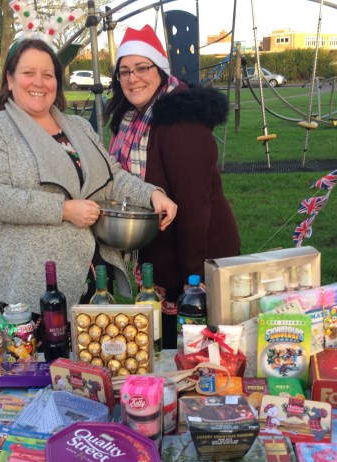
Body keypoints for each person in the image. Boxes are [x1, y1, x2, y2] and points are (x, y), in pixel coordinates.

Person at [0, 38, 177, 318]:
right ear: (10, 78)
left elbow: (112, 176)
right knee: (44, 360)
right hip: (32, 277)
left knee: (93, 356)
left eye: (48, 74)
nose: (39, 83)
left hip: (92, 272)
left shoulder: (77, 127)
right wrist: (63, 210)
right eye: (29, 73)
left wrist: (153, 194)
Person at [105, 25, 241, 349]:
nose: (133, 78)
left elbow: (195, 207)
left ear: (160, 70)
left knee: (193, 352)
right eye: (124, 71)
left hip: (197, 258)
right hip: (164, 254)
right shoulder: (134, 118)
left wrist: (192, 286)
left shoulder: (181, 122)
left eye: (142, 68)